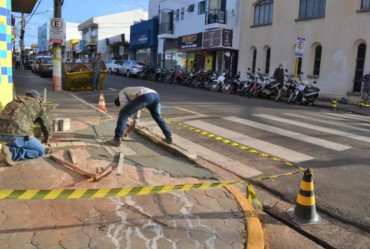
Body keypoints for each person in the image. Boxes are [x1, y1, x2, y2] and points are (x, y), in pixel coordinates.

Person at [107, 86, 172, 147]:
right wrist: (134, 123)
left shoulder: (122, 92)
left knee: (123, 114)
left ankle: (117, 139)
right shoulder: (133, 96)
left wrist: (126, 117)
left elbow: (124, 105)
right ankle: (168, 137)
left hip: (146, 95)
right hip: (156, 96)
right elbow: (137, 109)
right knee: (157, 117)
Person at [0, 90, 51, 166]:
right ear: (37, 99)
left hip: (1, 135)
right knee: (40, 151)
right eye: (40, 101)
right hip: (16, 135)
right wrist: (47, 138)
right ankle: (12, 153)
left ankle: (7, 149)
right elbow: (45, 124)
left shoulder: (13, 102)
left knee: (17, 140)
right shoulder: (38, 105)